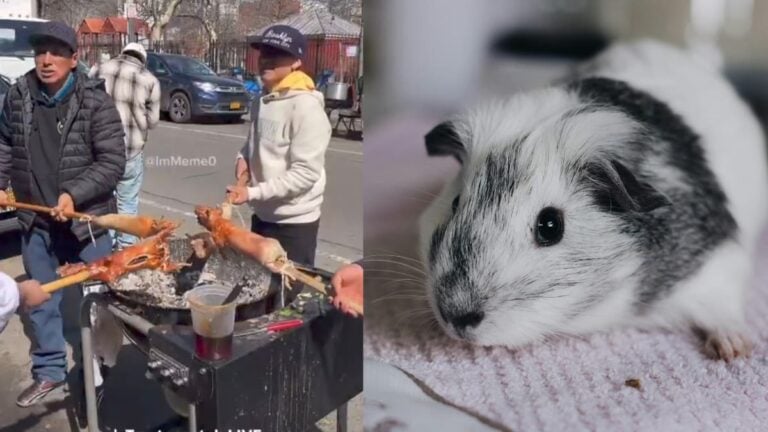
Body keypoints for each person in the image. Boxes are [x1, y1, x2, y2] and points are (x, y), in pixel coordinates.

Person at [0, 21, 125, 407]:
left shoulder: (95, 102)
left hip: (86, 222)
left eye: (56, 52)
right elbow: (4, 144)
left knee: (98, 305)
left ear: (75, 59)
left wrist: (74, 194)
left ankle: (97, 375)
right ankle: (50, 372)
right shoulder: (19, 96)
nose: (46, 59)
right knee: (40, 301)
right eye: (40, 51)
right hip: (36, 220)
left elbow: (112, 162)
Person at [227, 25, 331, 269]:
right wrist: (243, 157)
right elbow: (253, 144)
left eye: (276, 54)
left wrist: (251, 193)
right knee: (256, 290)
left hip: (294, 222)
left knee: (288, 300)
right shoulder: (262, 100)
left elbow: (305, 174)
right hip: (262, 216)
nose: (266, 61)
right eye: (264, 53)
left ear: (296, 62)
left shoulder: (306, 108)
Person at [89, 42, 161, 248]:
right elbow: (153, 121)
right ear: (142, 60)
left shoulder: (98, 70)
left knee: (103, 202)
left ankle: (105, 246)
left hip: (99, 151)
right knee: (127, 203)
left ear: (123, 53)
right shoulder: (149, 80)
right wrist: (138, 114)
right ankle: (125, 250)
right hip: (130, 151)